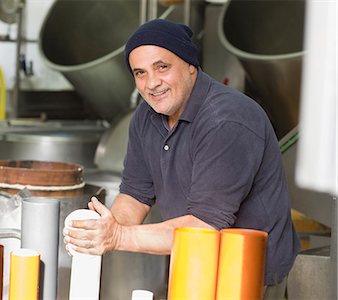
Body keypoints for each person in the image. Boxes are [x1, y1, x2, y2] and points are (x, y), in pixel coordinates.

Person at [63, 19, 300, 296]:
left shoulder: (226, 120)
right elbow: (135, 195)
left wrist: (117, 236)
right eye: (140, 73)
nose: (152, 83)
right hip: (193, 265)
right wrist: (105, 227)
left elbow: (202, 227)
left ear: (190, 66)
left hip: (249, 277)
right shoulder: (146, 117)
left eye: (162, 67)